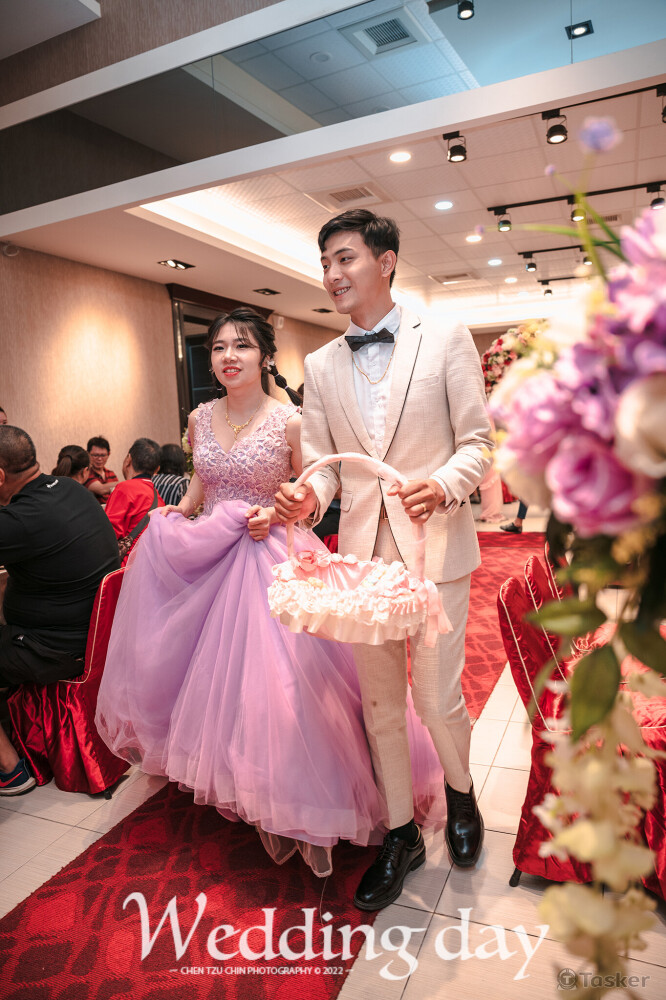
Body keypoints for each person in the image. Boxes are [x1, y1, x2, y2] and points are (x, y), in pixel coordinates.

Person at [96, 308, 444, 877]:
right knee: (211, 680)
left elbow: (315, 495)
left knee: (284, 685)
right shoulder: (199, 418)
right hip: (212, 555)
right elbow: (201, 484)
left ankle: (297, 791)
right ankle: (233, 777)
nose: (228, 356)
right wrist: (179, 513)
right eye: (218, 348)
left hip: (274, 556)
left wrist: (278, 512)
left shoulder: (291, 422)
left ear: (263, 357)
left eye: (241, 346)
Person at [275, 209, 493, 910]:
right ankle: (400, 833)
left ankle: (461, 793)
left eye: (345, 259)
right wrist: (304, 498)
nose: (333, 275)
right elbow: (326, 469)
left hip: (437, 551)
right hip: (363, 563)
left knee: (435, 697)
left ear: (386, 260)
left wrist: (447, 483)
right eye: (325, 264)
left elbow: (478, 443)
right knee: (379, 704)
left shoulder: (446, 338)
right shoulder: (320, 365)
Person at [0, 426, 119, 795]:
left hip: (54, 649)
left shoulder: (21, 519)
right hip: (94, 637)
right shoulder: (72, 489)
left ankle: (9, 769)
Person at [104, 438, 164, 562]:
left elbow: (109, 533)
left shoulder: (124, 488)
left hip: (126, 566)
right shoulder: (157, 496)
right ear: (157, 469)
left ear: (129, 459)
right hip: (150, 564)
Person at [85, 436, 118, 504]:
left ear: (108, 454)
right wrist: (127, 483)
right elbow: (101, 489)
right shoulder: (85, 473)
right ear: (88, 454)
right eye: (95, 455)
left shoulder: (111, 474)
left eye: (103, 455)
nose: (99, 459)